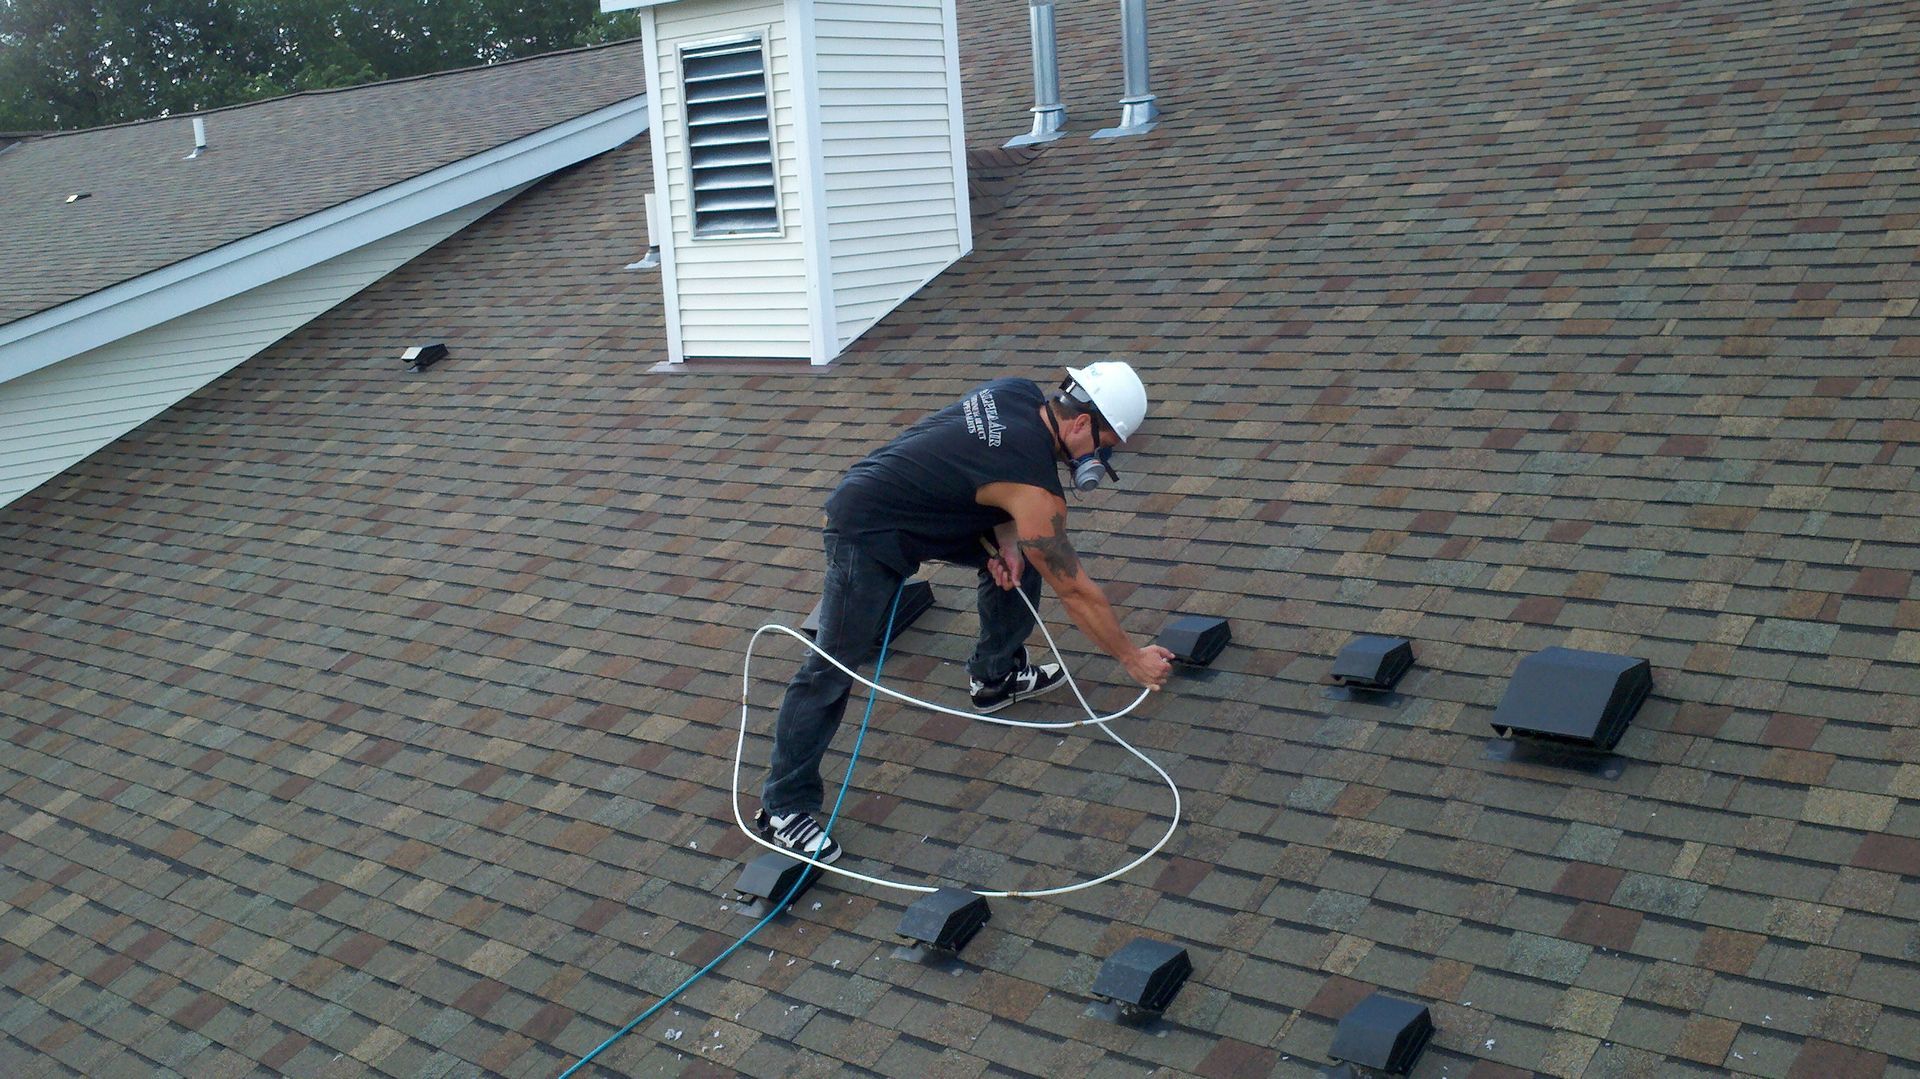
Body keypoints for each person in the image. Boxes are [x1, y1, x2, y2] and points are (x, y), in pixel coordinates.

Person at [756, 361, 1176, 864]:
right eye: (1104, 446)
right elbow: (1079, 593)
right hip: (867, 530)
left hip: (917, 504)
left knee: (1026, 554)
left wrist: (1005, 542)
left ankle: (995, 677)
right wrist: (1132, 658)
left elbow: (977, 466)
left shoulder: (1017, 393)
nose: (1099, 459)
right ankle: (782, 806)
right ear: (1082, 424)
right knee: (832, 667)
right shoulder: (1037, 492)